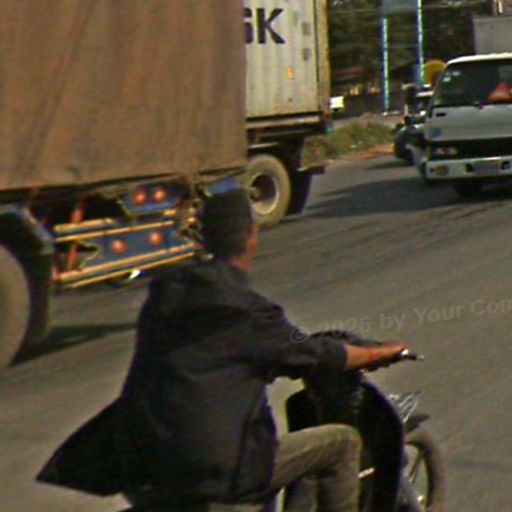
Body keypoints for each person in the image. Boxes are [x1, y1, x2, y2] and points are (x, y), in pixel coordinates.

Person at [37, 189, 406, 512]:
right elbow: (317, 354)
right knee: (342, 443)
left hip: (145, 467)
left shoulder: (164, 299)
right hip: (218, 473)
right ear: (251, 238)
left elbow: (218, 355)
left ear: (203, 238)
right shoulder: (249, 312)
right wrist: (378, 353)